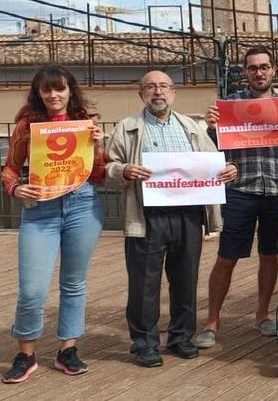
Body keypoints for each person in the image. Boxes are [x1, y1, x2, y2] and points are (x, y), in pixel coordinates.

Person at [105, 70, 236, 367]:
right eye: (150, 86)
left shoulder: (191, 126)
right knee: (144, 283)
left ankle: (180, 337)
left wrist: (228, 170)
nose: (158, 92)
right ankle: (144, 344)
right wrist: (123, 170)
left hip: (189, 214)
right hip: (147, 214)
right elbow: (108, 169)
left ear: (174, 92)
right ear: (141, 95)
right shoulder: (127, 127)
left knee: (185, 279)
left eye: (163, 86)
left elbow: (213, 163)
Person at [195, 47, 278, 349]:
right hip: (240, 191)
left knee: (269, 256)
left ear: (273, 71)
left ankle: (261, 316)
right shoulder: (229, 105)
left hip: (275, 191)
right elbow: (213, 146)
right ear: (245, 72)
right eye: (253, 68)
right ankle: (212, 321)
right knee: (226, 257)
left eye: (264, 67)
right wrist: (209, 128)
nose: (259, 72)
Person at [1, 66, 106, 383]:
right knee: (31, 290)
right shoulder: (27, 125)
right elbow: (9, 170)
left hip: (82, 205)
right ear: (39, 93)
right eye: (47, 90)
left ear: (70, 91)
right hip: (39, 211)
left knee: (74, 284)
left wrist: (98, 146)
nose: (53, 95)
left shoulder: (86, 123)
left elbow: (98, 175)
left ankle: (68, 350)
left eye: (59, 89)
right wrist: (16, 189)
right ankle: (26, 354)